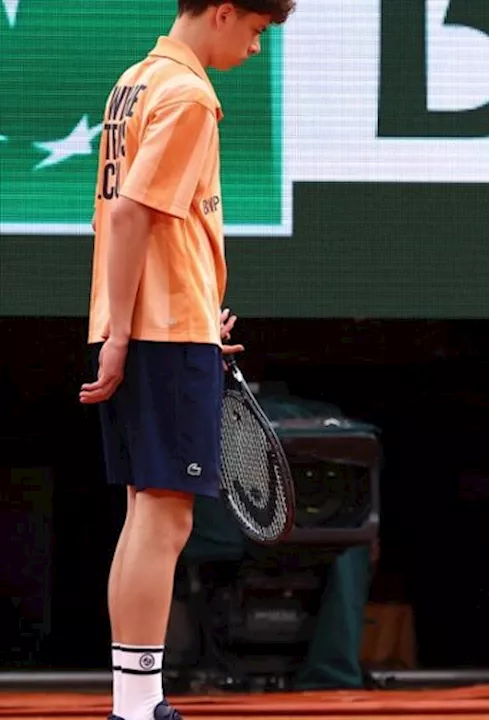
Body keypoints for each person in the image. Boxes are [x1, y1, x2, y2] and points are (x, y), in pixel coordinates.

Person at [78, 2, 295, 719]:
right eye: (257, 31)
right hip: (157, 329)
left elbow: (148, 222)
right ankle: (138, 709)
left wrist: (175, 314)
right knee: (164, 519)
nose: (257, 49)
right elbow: (134, 212)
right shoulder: (190, 93)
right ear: (225, 12)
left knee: (146, 511)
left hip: (154, 319)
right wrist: (128, 335)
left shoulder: (134, 81)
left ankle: (134, 701)